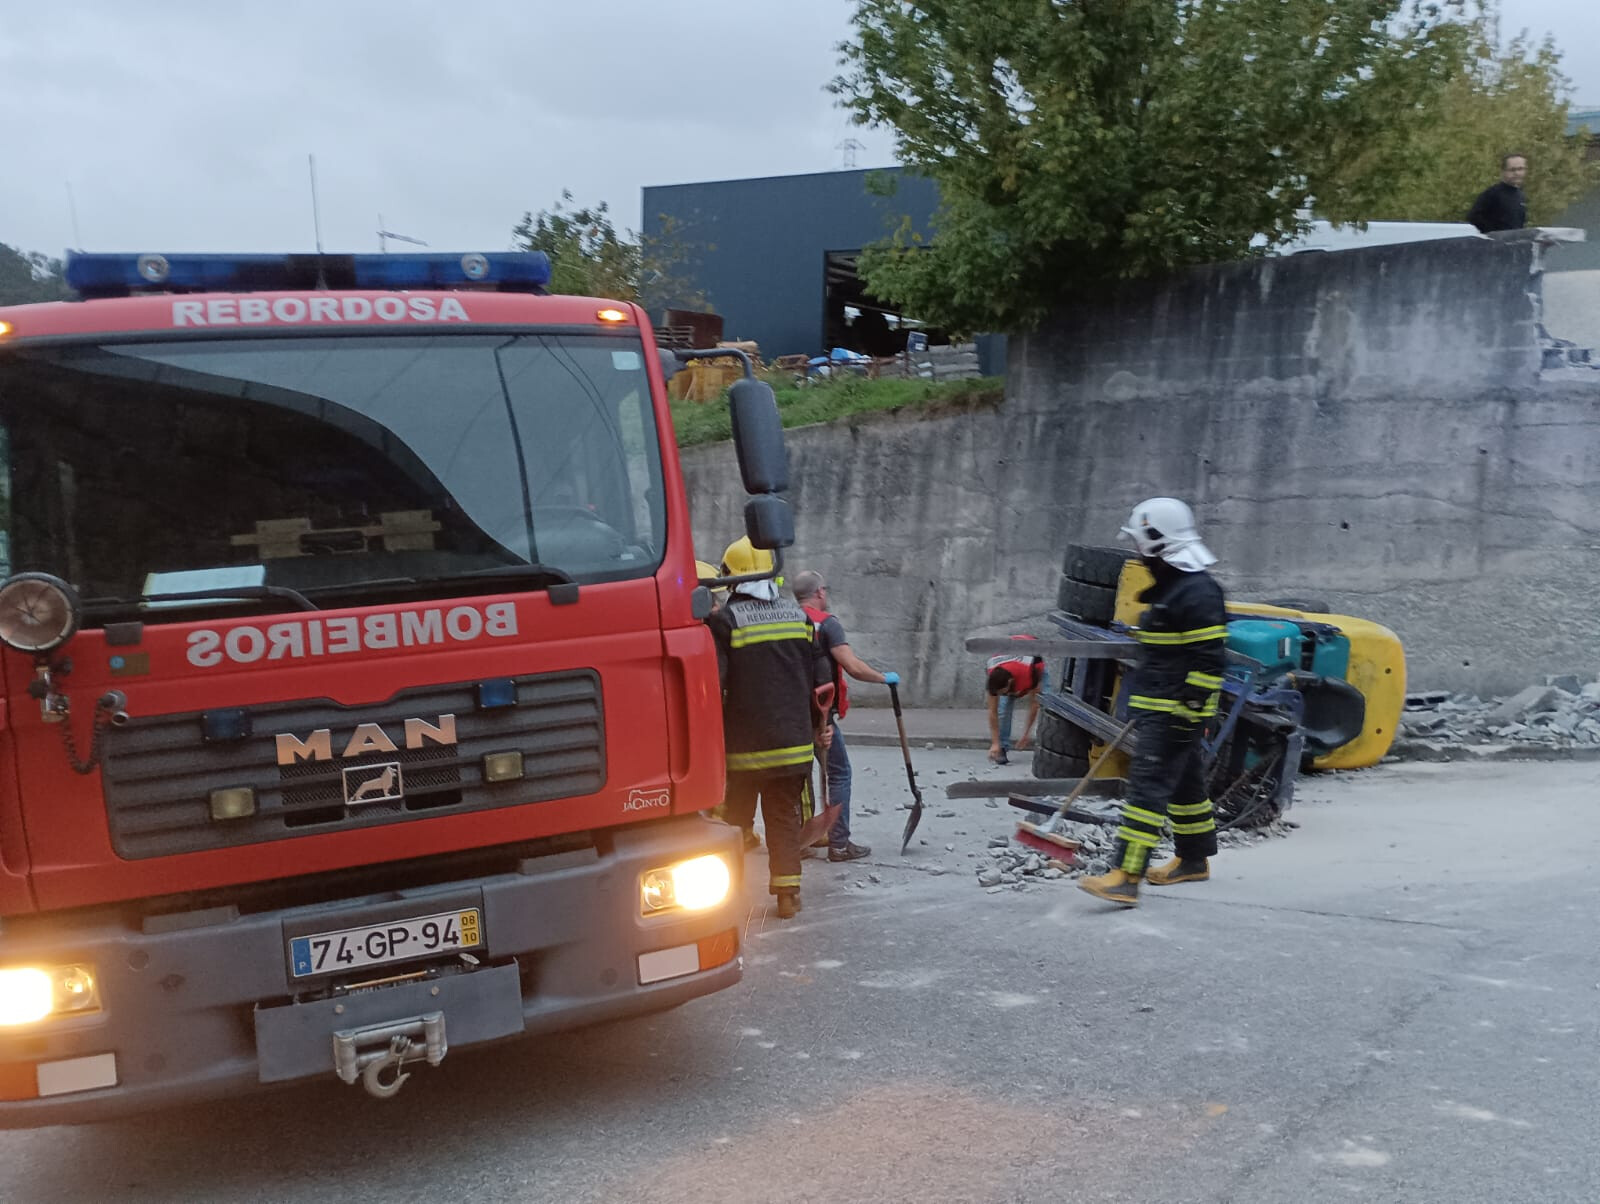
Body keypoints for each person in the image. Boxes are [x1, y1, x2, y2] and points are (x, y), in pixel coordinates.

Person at [1078, 497, 1225, 908]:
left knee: (1146, 791)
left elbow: (1210, 659)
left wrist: (1188, 710)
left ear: (1156, 541)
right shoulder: (1177, 587)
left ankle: (1126, 876)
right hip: (1165, 708)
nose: (1135, 551)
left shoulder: (1196, 592)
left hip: (1175, 711)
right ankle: (1194, 859)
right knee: (1184, 782)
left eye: (1138, 541)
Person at [707, 536, 831, 919]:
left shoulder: (725, 621)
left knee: (734, 822)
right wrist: (822, 726)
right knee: (783, 819)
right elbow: (822, 680)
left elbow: (715, 684)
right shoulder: (799, 617)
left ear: (732, 579)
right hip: (793, 745)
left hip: (743, 750)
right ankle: (787, 894)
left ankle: (726, 898)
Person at [790, 569, 897, 862]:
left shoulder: (785, 619)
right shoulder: (827, 625)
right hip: (820, 715)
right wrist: (882, 678)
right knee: (839, 772)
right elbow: (852, 666)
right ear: (820, 593)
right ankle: (838, 844)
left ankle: (795, 842)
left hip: (788, 715)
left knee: (796, 778)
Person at [984, 639, 1046, 765]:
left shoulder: (1030, 673)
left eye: (1003, 692)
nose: (1001, 695)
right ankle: (1002, 748)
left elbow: (1034, 704)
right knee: (1003, 708)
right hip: (1010, 649)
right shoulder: (992, 673)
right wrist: (995, 743)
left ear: (1010, 682)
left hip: (1032, 652)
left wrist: (1026, 734)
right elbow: (993, 712)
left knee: (1048, 704)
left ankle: (1047, 748)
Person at [1467, 153, 1527, 235]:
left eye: (1520, 169)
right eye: (1512, 170)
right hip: (1496, 244)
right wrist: (1494, 234)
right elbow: (1474, 216)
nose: (1517, 173)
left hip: (1514, 243)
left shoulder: (1520, 195)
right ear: (1503, 171)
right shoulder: (1493, 194)